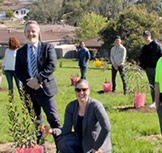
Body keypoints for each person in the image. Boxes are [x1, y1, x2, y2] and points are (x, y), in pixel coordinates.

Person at [15, 20, 61, 150]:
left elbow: (52, 65)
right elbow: (18, 71)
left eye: (33, 31)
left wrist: (38, 80)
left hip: (45, 90)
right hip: (30, 92)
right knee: (36, 122)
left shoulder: (48, 48)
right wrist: (28, 82)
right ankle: (41, 148)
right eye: (28, 31)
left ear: (38, 32)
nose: (31, 34)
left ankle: (60, 146)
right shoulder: (20, 51)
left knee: (54, 120)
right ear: (24, 33)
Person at [42, 79, 112, 153]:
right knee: (63, 143)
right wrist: (52, 130)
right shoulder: (71, 106)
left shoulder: (96, 106)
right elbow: (66, 129)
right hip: (81, 139)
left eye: (84, 90)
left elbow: (106, 128)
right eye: (78, 90)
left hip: (96, 143)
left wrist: (96, 148)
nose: (81, 93)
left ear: (89, 91)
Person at [139, 30, 162, 107]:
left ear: (150, 36)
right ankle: (154, 101)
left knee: (159, 85)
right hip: (149, 69)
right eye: (145, 36)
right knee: (152, 85)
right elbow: (143, 59)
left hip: (157, 68)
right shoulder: (145, 47)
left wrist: (161, 67)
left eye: (147, 35)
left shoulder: (157, 45)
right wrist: (140, 67)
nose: (146, 37)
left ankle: (161, 101)